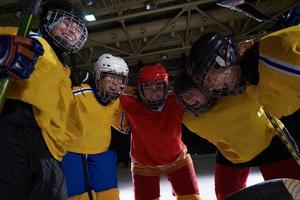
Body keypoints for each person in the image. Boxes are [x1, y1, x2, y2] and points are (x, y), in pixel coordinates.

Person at [174, 31, 300, 200]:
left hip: (272, 145)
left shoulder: (263, 64)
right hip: (235, 156)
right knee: (227, 193)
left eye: (208, 79)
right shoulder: (190, 118)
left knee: (292, 186)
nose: (211, 87)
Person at [0, 0, 88, 199]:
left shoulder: (65, 71)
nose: (71, 31)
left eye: (77, 29)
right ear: (49, 19)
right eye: (66, 23)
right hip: (16, 130)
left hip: (50, 153)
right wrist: (2, 52)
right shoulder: (26, 38)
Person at [118, 64, 201, 200]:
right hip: (143, 165)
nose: (154, 92)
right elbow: (108, 88)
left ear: (166, 87)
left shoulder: (177, 99)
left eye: (158, 86)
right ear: (140, 89)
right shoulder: (129, 100)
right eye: (148, 87)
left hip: (178, 160)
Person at [62, 53, 129, 200]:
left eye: (120, 79)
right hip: (72, 153)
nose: (115, 83)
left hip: (102, 153)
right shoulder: (78, 92)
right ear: (98, 76)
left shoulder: (118, 101)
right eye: (110, 77)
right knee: (77, 196)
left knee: (109, 195)